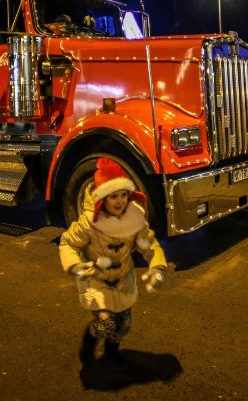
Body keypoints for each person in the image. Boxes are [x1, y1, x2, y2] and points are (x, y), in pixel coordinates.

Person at [58, 157, 168, 371]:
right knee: (106, 322)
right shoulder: (89, 223)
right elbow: (68, 243)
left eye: (124, 195)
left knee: (124, 324)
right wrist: (75, 265)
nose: (120, 201)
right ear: (102, 200)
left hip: (123, 278)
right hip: (96, 279)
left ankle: (111, 354)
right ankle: (89, 342)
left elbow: (149, 244)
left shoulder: (135, 219)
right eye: (113, 196)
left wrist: (157, 267)